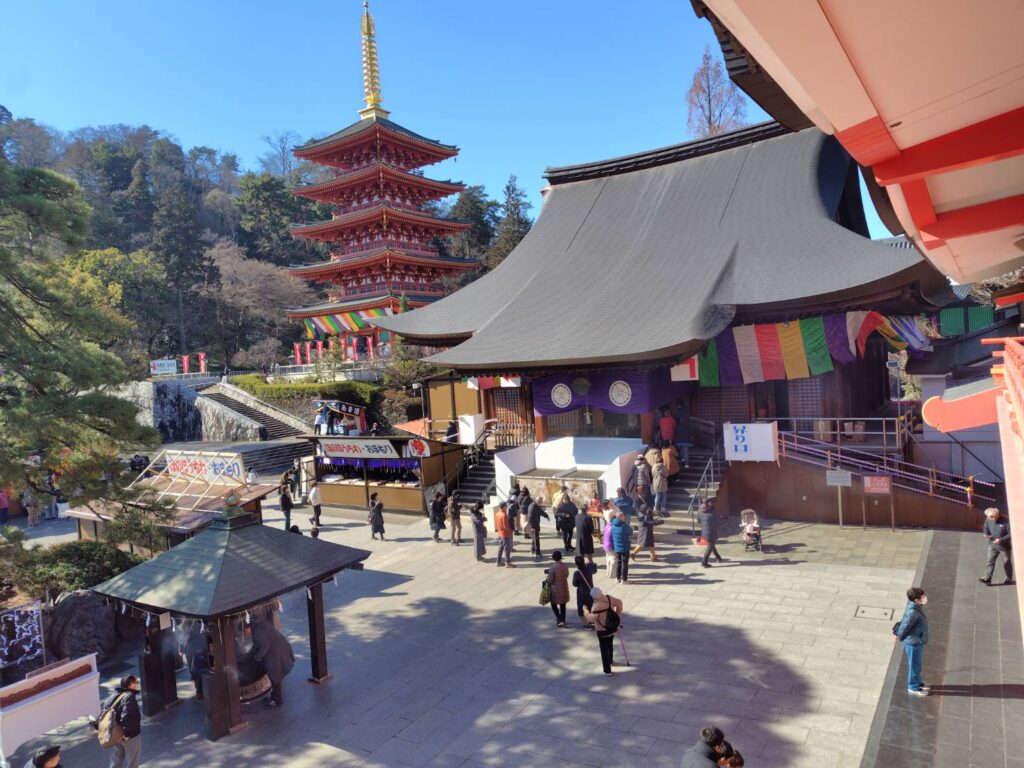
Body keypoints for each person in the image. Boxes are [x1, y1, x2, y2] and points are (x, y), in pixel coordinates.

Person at [895, 586, 930, 696]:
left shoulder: (915, 606)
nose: (925, 597)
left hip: (916, 640)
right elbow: (905, 625)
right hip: (913, 642)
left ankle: (917, 682)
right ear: (916, 600)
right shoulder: (913, 612)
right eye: (922, 596)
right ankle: (913, 687)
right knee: (914, 665)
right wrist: (899, 636)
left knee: (917, 664)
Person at [251, 619, 295, 708]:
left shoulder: (257, 633)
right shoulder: (263, 627)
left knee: (275, 678)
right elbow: (260, 644)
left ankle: (277, 700)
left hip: (277, 655)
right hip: (283, 650)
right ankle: (274, 696)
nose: (245, 633)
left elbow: (265, 646)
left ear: (248, 628)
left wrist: (257, 657)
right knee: (275, 677)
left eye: (245, 631)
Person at [103, 674, 142, 768]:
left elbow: (104, 714)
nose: (137, 684)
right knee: (132, 760)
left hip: (115, 734)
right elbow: (128, 715)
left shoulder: (112, 697)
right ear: (130, 684)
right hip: (129, 735)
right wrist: (128, 734)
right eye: (136, 682)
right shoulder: (129, 696)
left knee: (117, 758)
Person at [583, 587, 623, 675]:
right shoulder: (609, 598)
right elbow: (619, 602)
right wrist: (617, 614)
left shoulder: (595, 607)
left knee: (604, 649)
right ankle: (610, 660)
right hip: (612, 627)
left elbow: (591, 619)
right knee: (610, 644)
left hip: (602, 631)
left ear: (593, 597)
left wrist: (585, 611)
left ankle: (607, 670)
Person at [979, 507, 1013, 585]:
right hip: (992, 545)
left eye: (993, 517)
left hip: (1004, 547)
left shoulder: (1006, 521)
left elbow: (1010, 534)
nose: (992, 519)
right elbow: (985, 528)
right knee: (990, 561)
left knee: (1007, 562)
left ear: (997, 514)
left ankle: (1009, 578)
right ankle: (987, 578)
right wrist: (986, 534)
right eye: (990, 517)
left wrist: (1001, 540)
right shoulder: (988, 519)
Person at [183, 624, 209, 700]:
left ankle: (199, 692)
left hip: (193, 657)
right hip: (197, 657)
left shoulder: (189, 640)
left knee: (196, 674)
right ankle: (200, 692)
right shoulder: (199, 637)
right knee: (200, 673)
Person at [573, 555, 598, 629]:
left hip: (581, 593)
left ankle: (586, 624)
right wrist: (589, 563)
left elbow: (575, 584)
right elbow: (594, 568)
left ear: (576, 564)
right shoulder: (588, 569)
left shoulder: (577, 573)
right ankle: (592, 621)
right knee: (591, 606)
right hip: (590, 591)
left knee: (583, 607)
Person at [545, 551, 570, 627]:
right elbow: (567, 575)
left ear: (553, 558)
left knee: (553, 604)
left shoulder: (552, 568)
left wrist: (547, 578)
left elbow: (550, 580)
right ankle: (563, 620)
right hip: (564, 588)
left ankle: (559, 619)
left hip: (555, 590)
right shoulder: (565, 566)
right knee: (563, 605)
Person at [699, 498, 723, 568]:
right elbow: (716, 521)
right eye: (711, 502)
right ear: (709, 503)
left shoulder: (699, 510)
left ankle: (718, 558)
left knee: (711, 544)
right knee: (710, 546)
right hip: (711, 531)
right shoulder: (712, 511)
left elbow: (699, 520)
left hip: (704, 531)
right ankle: (704, 562)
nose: (712, 504)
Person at [526, 494, 550, 559]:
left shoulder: (536, 506)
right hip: (533, 526)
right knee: (536, 540)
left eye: (541, 501)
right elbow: (530, 518)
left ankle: (532, 549)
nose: (541, 503)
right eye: (540, 502)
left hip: (536, 525)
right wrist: (532, 527)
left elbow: (540, 512)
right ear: (536, 501)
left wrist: (546, 516)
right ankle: (538, 553)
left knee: (534, 538)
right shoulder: (532, 507)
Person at [611, 512, 632, 583]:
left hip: (617, 547)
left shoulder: (613, 525)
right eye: (623, 516)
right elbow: (631, 532)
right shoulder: (623, 526)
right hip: (624, 547)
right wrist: (625, 524)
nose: (624, 517)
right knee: (624, 563)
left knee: (618, 562)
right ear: (620, 517)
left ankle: (618, 578)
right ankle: (624, 579)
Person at [495, 501, 515, 567]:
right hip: (505, 534)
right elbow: (505, 526)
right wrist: (510, 531)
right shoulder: (504, 515)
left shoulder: (497, 513)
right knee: (507, 549)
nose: (507, 507)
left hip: (500, 533)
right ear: (503, 507)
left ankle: (498, 561)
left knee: (500, 548)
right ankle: (508, 563)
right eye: (506, 506)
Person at [603, 502, 617, 578]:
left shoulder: (606, 526)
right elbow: (618, 510)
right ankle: (612, 573)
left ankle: (608, 572)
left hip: (606, 545)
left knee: (608, 559)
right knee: (613, 559)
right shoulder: (613, 527)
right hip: (611, 545)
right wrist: (613, 505)